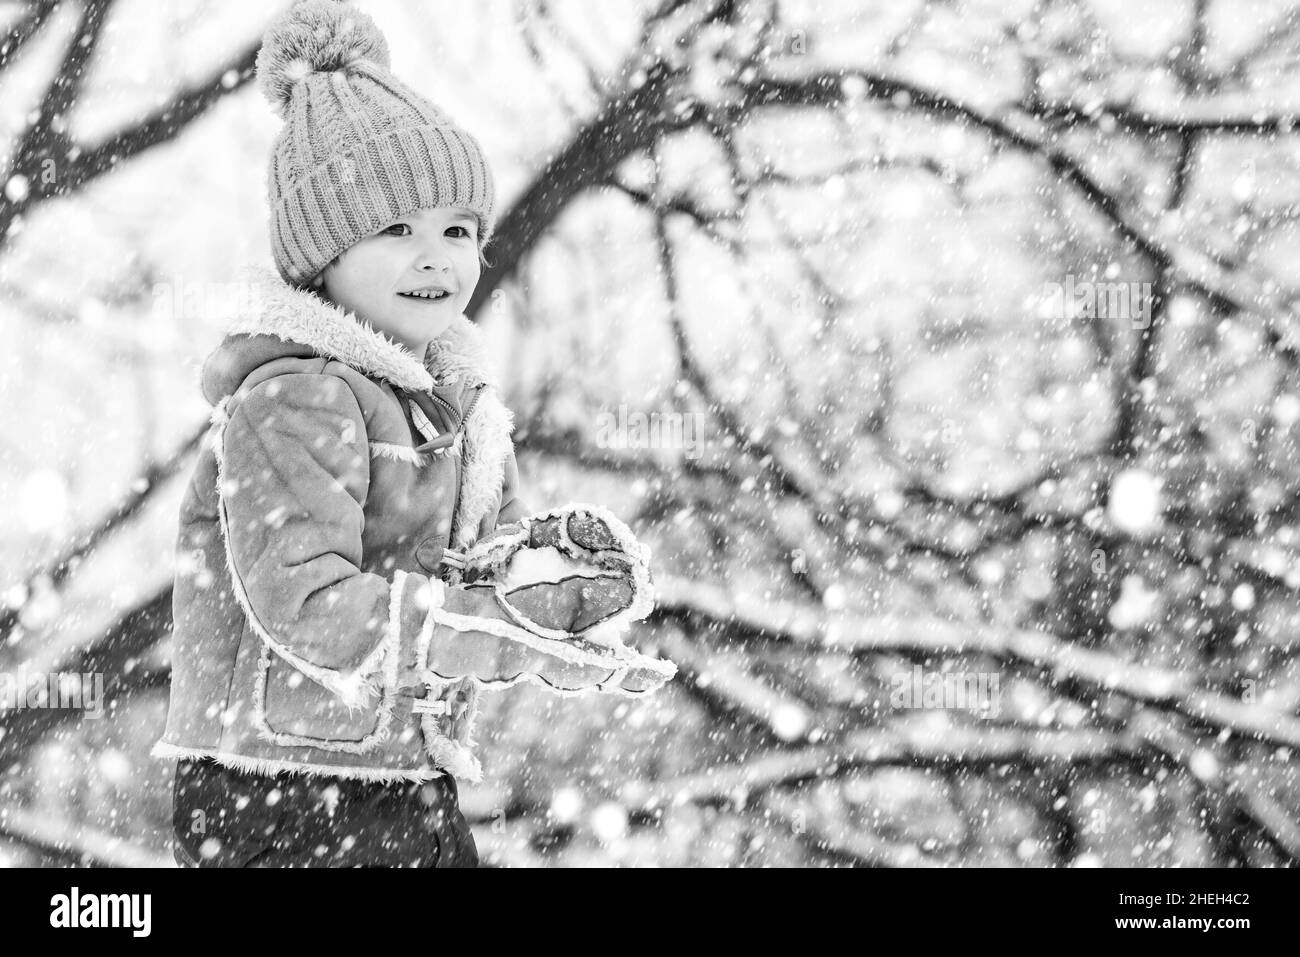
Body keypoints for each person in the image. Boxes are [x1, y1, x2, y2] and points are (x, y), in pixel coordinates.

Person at [152, 0, 674, 868]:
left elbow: (480, 574)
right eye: (396, 230)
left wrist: (554, 583)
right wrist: (469, 628)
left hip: (403, 774)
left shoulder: (458, 408)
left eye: (458, 230)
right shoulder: (295, 397)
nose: (437, 257)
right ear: (320, 256)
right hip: (274, 789)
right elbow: (306, 603)